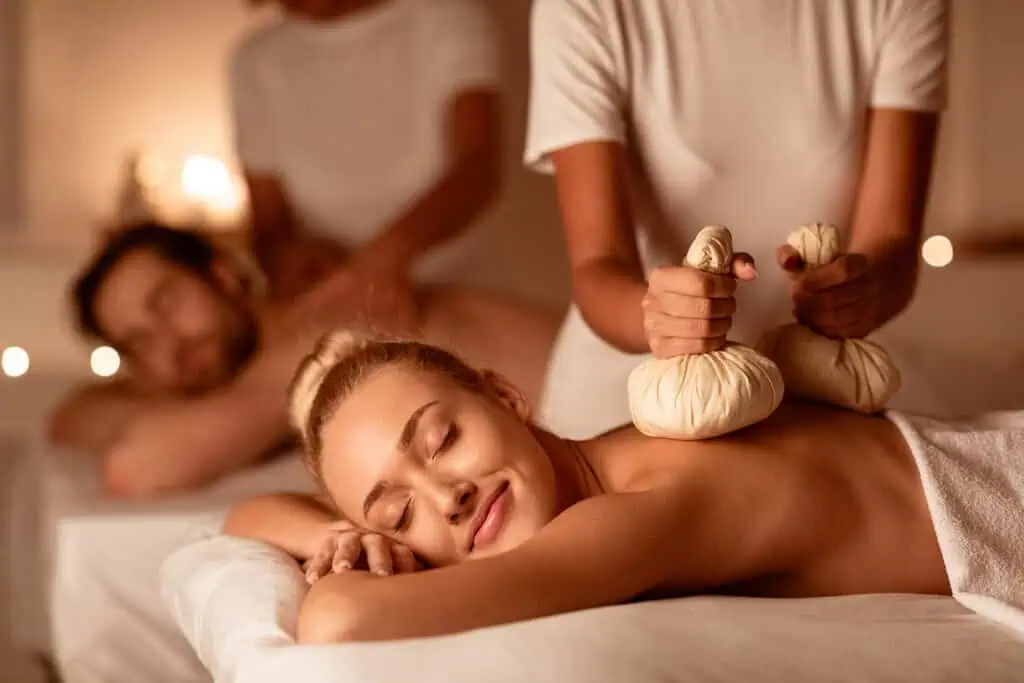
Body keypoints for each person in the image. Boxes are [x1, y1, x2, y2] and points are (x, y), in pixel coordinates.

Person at [223, 331, 1023, 644]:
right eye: (399, 511)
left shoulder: (642, 515)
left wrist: (358, 543)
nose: (448, 497)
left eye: (443, 439)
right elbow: (242, 515)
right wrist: (333, 534)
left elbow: (337, 619)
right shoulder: (613, 455)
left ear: (505, 395)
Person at [523, 0, 948, 437]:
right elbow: (598, 264)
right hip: (629, 404)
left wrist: (858, 293)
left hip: (817, 405)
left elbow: (893, 243)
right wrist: (659, 316)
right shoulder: (581, 8)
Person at [49, 223, 560, 498]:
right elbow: (67, 420)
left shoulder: (324, 329)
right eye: (138, 343)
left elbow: (135, 468)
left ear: (222, 275)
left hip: (618, 404)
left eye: (166, 303)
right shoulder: (266, 362)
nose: (169, 346)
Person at [232, 0, 502, 321]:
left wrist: (387, 258)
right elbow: (268, 219)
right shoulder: (257, 60)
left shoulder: (446, 16)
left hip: (464, 292)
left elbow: (476, 168)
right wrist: (294, 261)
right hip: (335, 308)